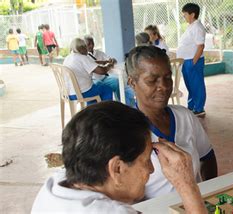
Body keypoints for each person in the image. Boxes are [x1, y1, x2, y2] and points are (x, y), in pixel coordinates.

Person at [31, 101, 207, 213]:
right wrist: (186, 185)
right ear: (117, 168)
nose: (152, 170)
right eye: (146, 161)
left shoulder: (53, 186)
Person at [125, 45, 217, 199]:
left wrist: (210, 195)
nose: (163, 86)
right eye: (152, 80)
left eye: (168, 77)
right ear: (132, 83)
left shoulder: (185, 117)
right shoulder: (124, 131)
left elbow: (207, 156)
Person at [84, 35, 135, 106]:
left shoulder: (99, 53)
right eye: (89, 44)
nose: (91, 45)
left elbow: (111, 60)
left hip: (104, 78)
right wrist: (106, 64)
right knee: (103, 88)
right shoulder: (84, 57)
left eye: (92, 43)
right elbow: (101, 69)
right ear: (84, 45)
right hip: (93, 80)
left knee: (117, 82)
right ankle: (102, 107)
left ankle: (121, 104)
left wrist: (112, 61)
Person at [177, 3, 207, 117]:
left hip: (193, 61)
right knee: (190, 85)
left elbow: (200, 46)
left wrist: (194, 61)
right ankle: (192, 106)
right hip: (187, 61)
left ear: (192, 14)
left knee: (197, 85)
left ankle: (199, 109)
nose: (183, 17)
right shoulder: (191, 26)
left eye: (185, 14)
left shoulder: (198, 27)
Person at [63, 38, 113, 103]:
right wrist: (109, 65)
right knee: (107, 89)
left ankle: (92, 110)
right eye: (85, 46)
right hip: (82, 93)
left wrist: (103, 62)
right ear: (81, 48)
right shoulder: (82, 58)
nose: (87, 48)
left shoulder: (68, 58)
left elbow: (89, 63)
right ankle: (104, 111)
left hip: (68, 93)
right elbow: (102, 71)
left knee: (98, 84)